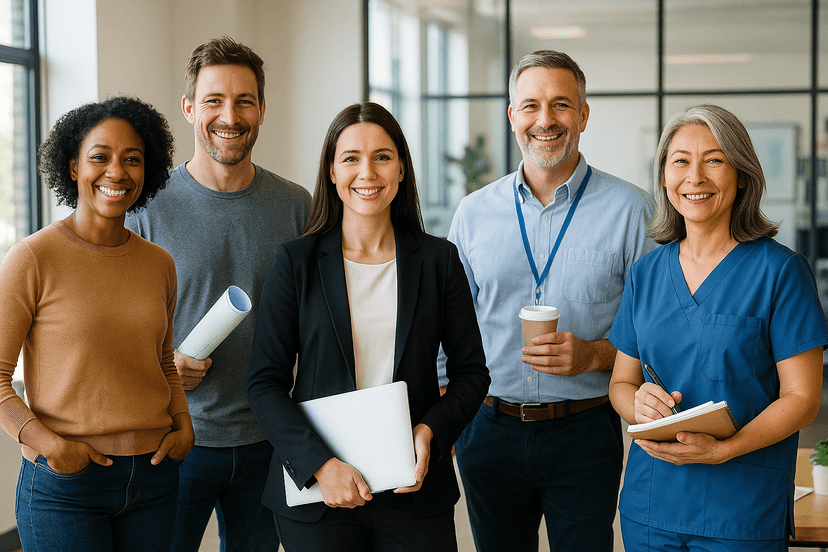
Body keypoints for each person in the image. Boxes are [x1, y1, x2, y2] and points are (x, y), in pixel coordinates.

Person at [438, 49, 657, 552]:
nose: (546, 120)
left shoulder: (631, 211)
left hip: (584, 432)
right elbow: (449, 329)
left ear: (582, 114)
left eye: (561, 105)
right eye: (530, 105)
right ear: (512, 115)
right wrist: (445, 419)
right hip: (487, 430)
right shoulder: (472, 214)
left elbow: (654, 333)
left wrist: (593, 355)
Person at [246, 101, 490, 551]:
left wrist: (430, 432)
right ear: (332, 172)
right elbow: (264, 383)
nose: (368, 173)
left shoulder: (439, 261)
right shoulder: (295, 262)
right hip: (320, 494)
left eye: (382, 156)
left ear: (401, 169)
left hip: (413, 489)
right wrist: (320, 464)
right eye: (351, 159)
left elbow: (472, 374)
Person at [608, 104, 828, 551]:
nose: (696, 177)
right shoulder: (646, 274)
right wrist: (638, 405)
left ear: (742, 174)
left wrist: (725, 449)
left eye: (714, 159)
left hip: (742, 510)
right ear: (665, 178)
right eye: (681, 161)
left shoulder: (781, 272)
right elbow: (621, 383)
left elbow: (803, 400)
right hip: (651, 509)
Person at [125, 36, 311, 552]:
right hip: (175, 439)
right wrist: (161, 361)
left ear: (262, 110)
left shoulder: (296, 206)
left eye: (244, 101)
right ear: (188, 108)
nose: (229, 116)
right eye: (213, 100)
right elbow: (114, 326)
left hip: (268, 438)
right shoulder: (147, 209)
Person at [0, 96, 192, 551]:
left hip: (154, 479)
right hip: (67, 485)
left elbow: (163, 360)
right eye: (100, 157)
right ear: (72, 166)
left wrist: (184, 425)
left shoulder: (158, 263)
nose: (116, 172)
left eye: (132, 159)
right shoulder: (32, 258)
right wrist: (48, 443)